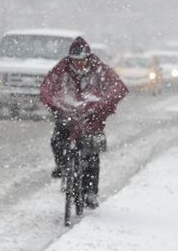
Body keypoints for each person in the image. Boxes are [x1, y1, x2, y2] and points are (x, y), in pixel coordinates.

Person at [40, 36, 128, 208]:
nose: (79, 64)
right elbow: (47, 87)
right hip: (67, 114)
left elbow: (117, 87)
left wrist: (101, 104)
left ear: (88, 57)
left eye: (82, 60)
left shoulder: (100, 69)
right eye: (75, 61)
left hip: (92, 118)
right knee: (57, 140)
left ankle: (90, 192)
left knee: (92, 153)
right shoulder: (62, 69)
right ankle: (63, 166)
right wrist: (55, 103)